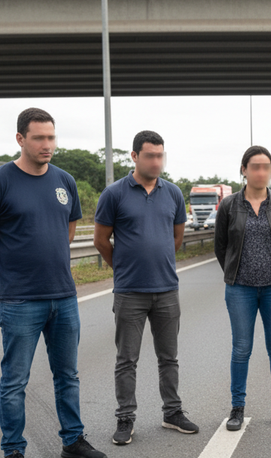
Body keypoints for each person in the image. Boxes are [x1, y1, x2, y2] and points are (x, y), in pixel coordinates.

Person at [0, 108, 106, 458]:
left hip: (64, 296)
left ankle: (73, 441)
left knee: (68, 376)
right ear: (20, 139)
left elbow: (67, 231)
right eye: (39, 138)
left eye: (51, 137)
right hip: (20, 300)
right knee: (15, 381)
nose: (48, 145)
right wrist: (11, 269)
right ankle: (13, 449)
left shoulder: (65, 181)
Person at [93, 130, 198, 447]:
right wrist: (124, 268)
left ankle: (172, 412)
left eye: (160, 155)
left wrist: (156, 262)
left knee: (169, 358)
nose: (156, 161)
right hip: (129, 292)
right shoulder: (114, 194)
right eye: (150, 155)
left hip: (167, 289)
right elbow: (101, 240)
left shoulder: (173, 193)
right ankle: (125, 418)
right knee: (127, 360)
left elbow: (176, 238)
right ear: (135, 156)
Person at [214, 145, 271, 432]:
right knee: (241, 349)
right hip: (240, 289)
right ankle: (237, 408)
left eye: (266, 167)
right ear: (244, 170)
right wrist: (235, 272)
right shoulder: (229, 205)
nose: (261, 172)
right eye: (255, 167)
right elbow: (221, 247)